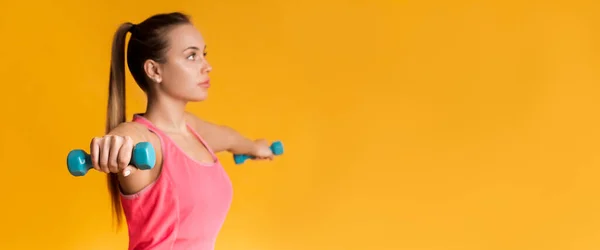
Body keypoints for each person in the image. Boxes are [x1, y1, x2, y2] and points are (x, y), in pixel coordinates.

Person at [89, 12, 275, 250]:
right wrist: (113, 146)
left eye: (203, 54)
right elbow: (126, 138)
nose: (207, 66)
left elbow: (228, 137)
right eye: (191, 56)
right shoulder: (145, 140)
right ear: (154, 71)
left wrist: (254, 147)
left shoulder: (192, 129)